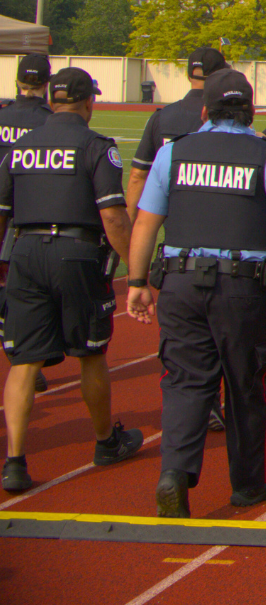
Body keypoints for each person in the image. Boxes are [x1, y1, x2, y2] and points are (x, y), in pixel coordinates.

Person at [124, 70, 266, 516]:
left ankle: (175, 474)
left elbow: (146, 221)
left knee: (186, 382)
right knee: (245, 384)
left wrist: (137, 282)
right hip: (243, 288)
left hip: (179, 282)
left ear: (203, 111)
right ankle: (249, 483)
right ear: (250, 111)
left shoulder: (172, 153)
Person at [0, 68, 145, 492]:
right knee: (90, 351)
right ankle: (104, 442)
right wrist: (136, 270)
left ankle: (14, 461)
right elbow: (113, 217)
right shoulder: (95, 146)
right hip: (76, 253)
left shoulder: (19, 147)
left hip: (24, 252)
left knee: (24, 360)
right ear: (87, 103)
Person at [0, 55, 56, 359]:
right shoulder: (49, 120)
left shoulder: (2, 115)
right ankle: (25, 354)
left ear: (17, 82)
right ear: (46, 84)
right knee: (25, 289)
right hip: (30, 213)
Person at [127, 48, 230, 208]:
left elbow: (138, 175)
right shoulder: (229, 117)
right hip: (216, 210)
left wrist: (129, 227)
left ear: (188, 75)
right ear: (221, 75)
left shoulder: (161, 117)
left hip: (173, 214)